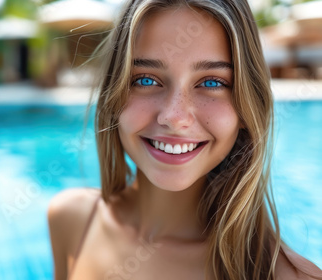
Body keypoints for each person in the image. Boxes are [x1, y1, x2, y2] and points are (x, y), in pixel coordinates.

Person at [47, 0, 322, 279]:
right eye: (145, 80)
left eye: (212, 82)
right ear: (112, 95)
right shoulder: (71, 219)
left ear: (246, 108)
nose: (174, 116)